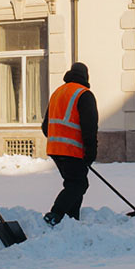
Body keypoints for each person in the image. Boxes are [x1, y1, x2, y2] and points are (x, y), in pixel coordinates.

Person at [42, 62, 98, 226]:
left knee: (73, 184)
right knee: (79, 184)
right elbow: (90, 127)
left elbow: (46, 126)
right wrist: (90, 152)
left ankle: (71, 221)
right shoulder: (84, 94)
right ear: (86, 76)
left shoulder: (57, 93)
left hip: (54, 149)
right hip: (72, 150)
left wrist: (58, 138)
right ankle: (55, 213)